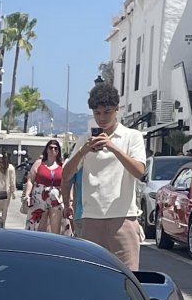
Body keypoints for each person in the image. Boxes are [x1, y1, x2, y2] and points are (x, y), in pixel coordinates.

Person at [62, 82, 147, 271]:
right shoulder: (85, 140)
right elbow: (66, 175)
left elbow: (139, 171)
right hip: (91, 218)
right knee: (91, 276)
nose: (101, 118)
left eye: (107, 112)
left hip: (124, 218)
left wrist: (112, 147)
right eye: (97, 113)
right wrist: (83, 151)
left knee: (128, 277)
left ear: (117, 109)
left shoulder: (132, 136)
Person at [24, 139, 67, 234]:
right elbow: (30, 180)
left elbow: (66, 184)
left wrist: (69, 201)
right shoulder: (39, 163)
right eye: (50, 148)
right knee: (39, 227)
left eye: (56, 148)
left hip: (55, 198)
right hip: (39, 198)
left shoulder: (62, 165)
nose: (53, 150)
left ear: (58, 151)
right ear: (47, 149)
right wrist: (27, 195)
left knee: (56, 228)